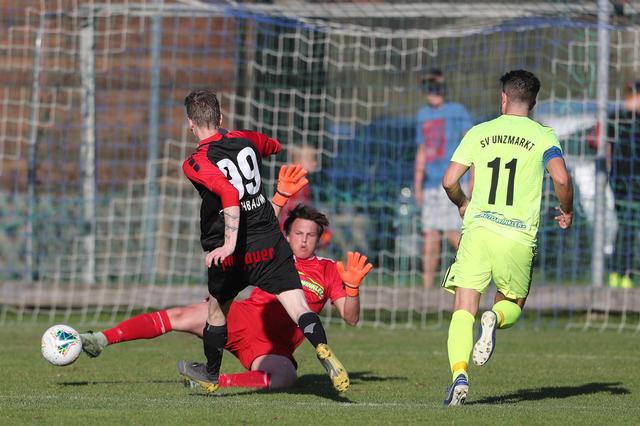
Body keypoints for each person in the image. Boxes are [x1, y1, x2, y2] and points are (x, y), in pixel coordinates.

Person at [80, 204, 372, 390]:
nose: (304, 239)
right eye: (298, 233)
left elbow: (351, 317)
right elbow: (257, 221)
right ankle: (101, 339)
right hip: (242, 317)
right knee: (180, 315)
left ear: (319, 238)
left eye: (311, 234)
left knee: (285, 378)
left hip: (272, 346)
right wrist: (280, 197)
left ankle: (215, 382)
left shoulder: (328, 269)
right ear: (287, 235)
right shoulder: (275, 252)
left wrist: (353, 288)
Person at [178, 90, 348, 393]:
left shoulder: (195, 162)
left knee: (217, 311)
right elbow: (274, 146)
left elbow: (229, 194)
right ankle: (321, 346)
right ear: (220, 117)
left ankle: (212, 374)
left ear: (191, 123)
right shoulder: (244, 138)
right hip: (269, 239)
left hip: (232, 250)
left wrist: (229, 244)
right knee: (297, 304)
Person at [440, 70, 573, 406]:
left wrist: (463, 204)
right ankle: (495, 319)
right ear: (534, 102)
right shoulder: (543, 135)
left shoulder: (480, 132)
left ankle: (459, 375)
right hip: (516, 236)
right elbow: (560, 177)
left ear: (503, 98)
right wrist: (566, 209)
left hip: (479, 229)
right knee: (510, 305)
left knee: (462, 309)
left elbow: (449, 180)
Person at [414, 69, 473, 288]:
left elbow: (471, 145)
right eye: (428, 87)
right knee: (430, 235)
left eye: (437, 86)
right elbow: (422, 150)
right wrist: (418, 184)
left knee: (453, 234)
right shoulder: (422, 115)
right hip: (431, 185)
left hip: (453, 182)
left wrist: (472, 180)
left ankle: (475, 278)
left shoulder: (457, 111)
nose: (433, 92)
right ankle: (427, 289)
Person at [608, 80, 640, 289]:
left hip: (636, 180)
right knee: (625, 226)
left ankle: (624, 272)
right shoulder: (617, 118)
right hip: (621, 181)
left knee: (630, 227)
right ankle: (619, 273)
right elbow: (606, 147)